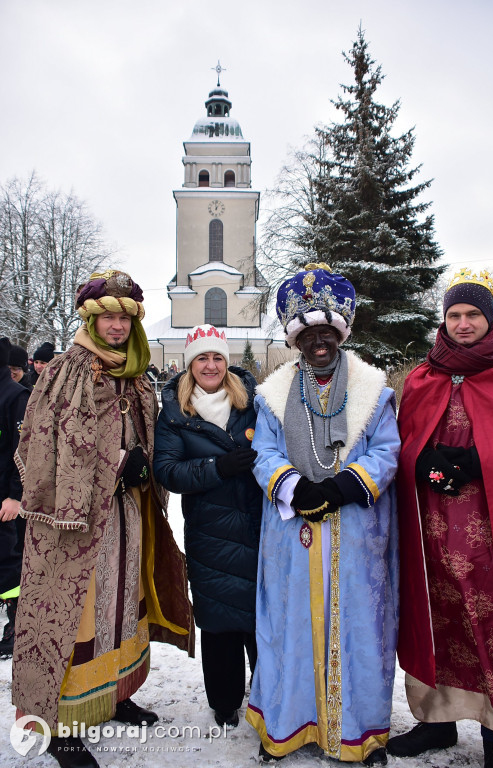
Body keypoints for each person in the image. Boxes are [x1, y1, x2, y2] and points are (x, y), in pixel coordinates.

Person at [12, 269, 194, 768]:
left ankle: (114, 694)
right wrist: (117, 463)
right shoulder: (67, 369)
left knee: (123, 600)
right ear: (92, 320)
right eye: (107, 317)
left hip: (128, 512)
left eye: (123, 318)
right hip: (74, 523)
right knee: (77, 615)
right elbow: (48, 443)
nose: (116, 326)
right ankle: (60, 721)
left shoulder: (134, 373)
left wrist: (143, 461)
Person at [246, 264, 400, 764]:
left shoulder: (373, 389)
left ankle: (363, 733)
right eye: (309, 333)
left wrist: (342, 487)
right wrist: (294, 486)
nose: (319, 342)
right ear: (297, 340)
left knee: (359, 631)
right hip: (294, 534)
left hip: (356, 531)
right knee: (288, 628)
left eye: (327, 332)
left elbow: (386, 450)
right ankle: (286, 726)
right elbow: (264, 453)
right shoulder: (272, 394)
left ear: (340, 334)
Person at [389, 269, 493, 768]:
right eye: (454, 315)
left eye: (472, 315)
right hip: (429, 529)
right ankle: (435, 723)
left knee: (486, 622)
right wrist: (423, 463)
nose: (462, 324)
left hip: (489, 529)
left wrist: (478, 462)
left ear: (489, 319)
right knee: (434, 619)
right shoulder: (424, 376)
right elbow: (402, 442)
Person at [153, 324, 262, 729]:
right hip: (211, 531)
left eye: (217, 357)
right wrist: (216, 467)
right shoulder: (175, 415)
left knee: (261, 618)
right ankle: (225, 701)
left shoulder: (252, 402)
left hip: (258, 525)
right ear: (189, 364)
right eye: (202, 358)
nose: (211, 365)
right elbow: (167, 470)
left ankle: (269, 696)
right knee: (219, 620)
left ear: (227, 361)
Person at [0, 338, 30, 657]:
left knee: (9, 566)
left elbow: (22, 452)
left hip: (6, 502)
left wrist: (14, 496)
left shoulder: (16, 396)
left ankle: (17, 624)